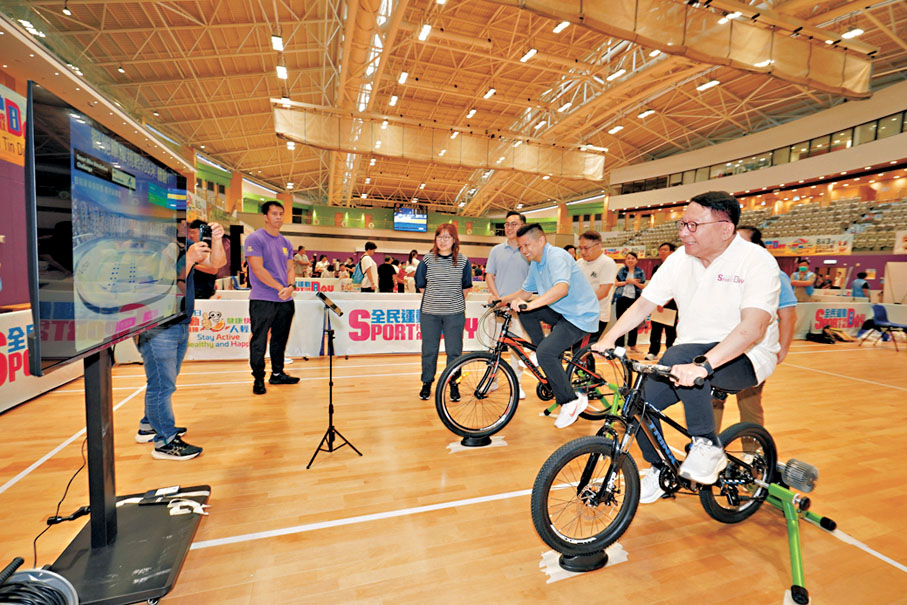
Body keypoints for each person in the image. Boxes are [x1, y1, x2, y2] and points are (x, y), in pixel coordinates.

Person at [593, 191, 780, 503]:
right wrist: (608, 339)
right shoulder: (679, 260)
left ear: (725, 229)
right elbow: (644, 305)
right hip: (688, 357)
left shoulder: (757, 261)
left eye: (693, 225)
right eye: (682, 224)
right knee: (636, 402)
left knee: (683, 356)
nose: (683, 232)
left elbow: (754, 327)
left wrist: (704, 365)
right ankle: (658, 468)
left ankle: (708, 446)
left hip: (746, 355)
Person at [136, 220, 225, 460]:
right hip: (157, 324)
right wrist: (187, 260)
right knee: (162, 386)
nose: (184, 221)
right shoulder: (147, 244)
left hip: (180, 320)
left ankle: (148, 425)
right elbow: (156, 281)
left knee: (164, 382)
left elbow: (216, 264)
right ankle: (165, 442)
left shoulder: (184, 243)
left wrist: (216, 240)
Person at [500, 223, 600, 428]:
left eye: (527, 245)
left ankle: (571, 401)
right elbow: (524, 293)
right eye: (521, 247)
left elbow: (562, 288)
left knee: (546, 352)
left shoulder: (556, 257)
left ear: (541, 240)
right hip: (563, 312)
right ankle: (540, 351)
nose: (524, 250)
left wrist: (532, 304)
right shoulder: (536, 264)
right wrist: (500, 300)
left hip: (580, 316)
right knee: (525, 310)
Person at [712, 225, 797, 431]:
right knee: (712, 402)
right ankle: (707, 450)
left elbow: (788, 315)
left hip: (754, 352)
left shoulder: (773, 273)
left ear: (757, 245)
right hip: (723, 347)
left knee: (749, 403)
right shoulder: (724, 272)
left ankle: (752, 454)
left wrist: (783, 349)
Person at [246, 201, 300, 395]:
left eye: (281, 214)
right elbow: (258, 269)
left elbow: (290, 268)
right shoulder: (255, 239)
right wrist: (280, 287)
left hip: (285, 300)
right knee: (259, 339)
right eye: (274, 214)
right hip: (263, 299)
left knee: (280, 339)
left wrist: (291, 287)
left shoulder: (286, 242)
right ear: (266, 217)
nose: (278, 217)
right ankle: (258, 378)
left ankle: (277, 373)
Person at [414, 224, 472, 400]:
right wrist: (437, 300)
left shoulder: (463, 261)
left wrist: (449, 302)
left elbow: (466, 288)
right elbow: (421, 285)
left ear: (454, 240)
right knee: (429, 350)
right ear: (435, 239)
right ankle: (427, 383)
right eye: (440, 237)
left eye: (447, 237)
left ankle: (454, 384)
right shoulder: (427, 260)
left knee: (454, 352)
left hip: (454, 314)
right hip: (430, 314)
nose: (443, 240)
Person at [486, 211, 531, 399]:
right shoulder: (496, 250)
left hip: (521, 308)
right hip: (499, 307)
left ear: (522, 226)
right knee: (492, 346)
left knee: (518, 348)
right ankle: (492, 380)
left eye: (513, 224)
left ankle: (517, 383)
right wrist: (497, 298)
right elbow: (489, 275)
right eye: (506, 224)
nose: (509, 228)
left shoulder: (528, 251)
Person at [575, 230, 617, 345]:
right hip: (579, 314)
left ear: (598, 246)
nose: (583, 252)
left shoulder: (607, 263)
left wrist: (577, 302)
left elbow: (603, 292)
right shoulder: (579, 263)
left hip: (596, 316)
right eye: (580, 248)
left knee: (583, 350)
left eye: (586, 248)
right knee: (578, 351)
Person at [645, 243, 678, 361]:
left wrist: (665, 301)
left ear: (672, 252)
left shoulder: (678, 268)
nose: (662, 252)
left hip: (671, 304)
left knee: (671, 331)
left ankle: (671, 353)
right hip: (657, 303)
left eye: (665, 250)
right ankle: (653, 352)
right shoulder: (657, 268)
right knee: (655, 330)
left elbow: (676, 287)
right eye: (660, 250)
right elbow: (654, 286)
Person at [613, 251, 646, 351]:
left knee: (634, 322)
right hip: (622, 298)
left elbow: (643, 286)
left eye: (632, 258)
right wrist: (626, 282)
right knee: (620, 321)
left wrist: (634, 283)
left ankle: (632, 345)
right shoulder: (621, 270)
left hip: (635, 299)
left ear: (636, 260)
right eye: (628, 258)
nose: (630, 260)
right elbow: (616, 283)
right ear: (625, 260)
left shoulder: (640, 272)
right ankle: (619, 345)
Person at [187, 219, 218, 300]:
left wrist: (191, 264)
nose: (191, 236)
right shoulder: (192, 248)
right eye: (190, 232)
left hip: (202, 293)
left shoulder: (208, 247)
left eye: (194, 232)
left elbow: (214, 269)